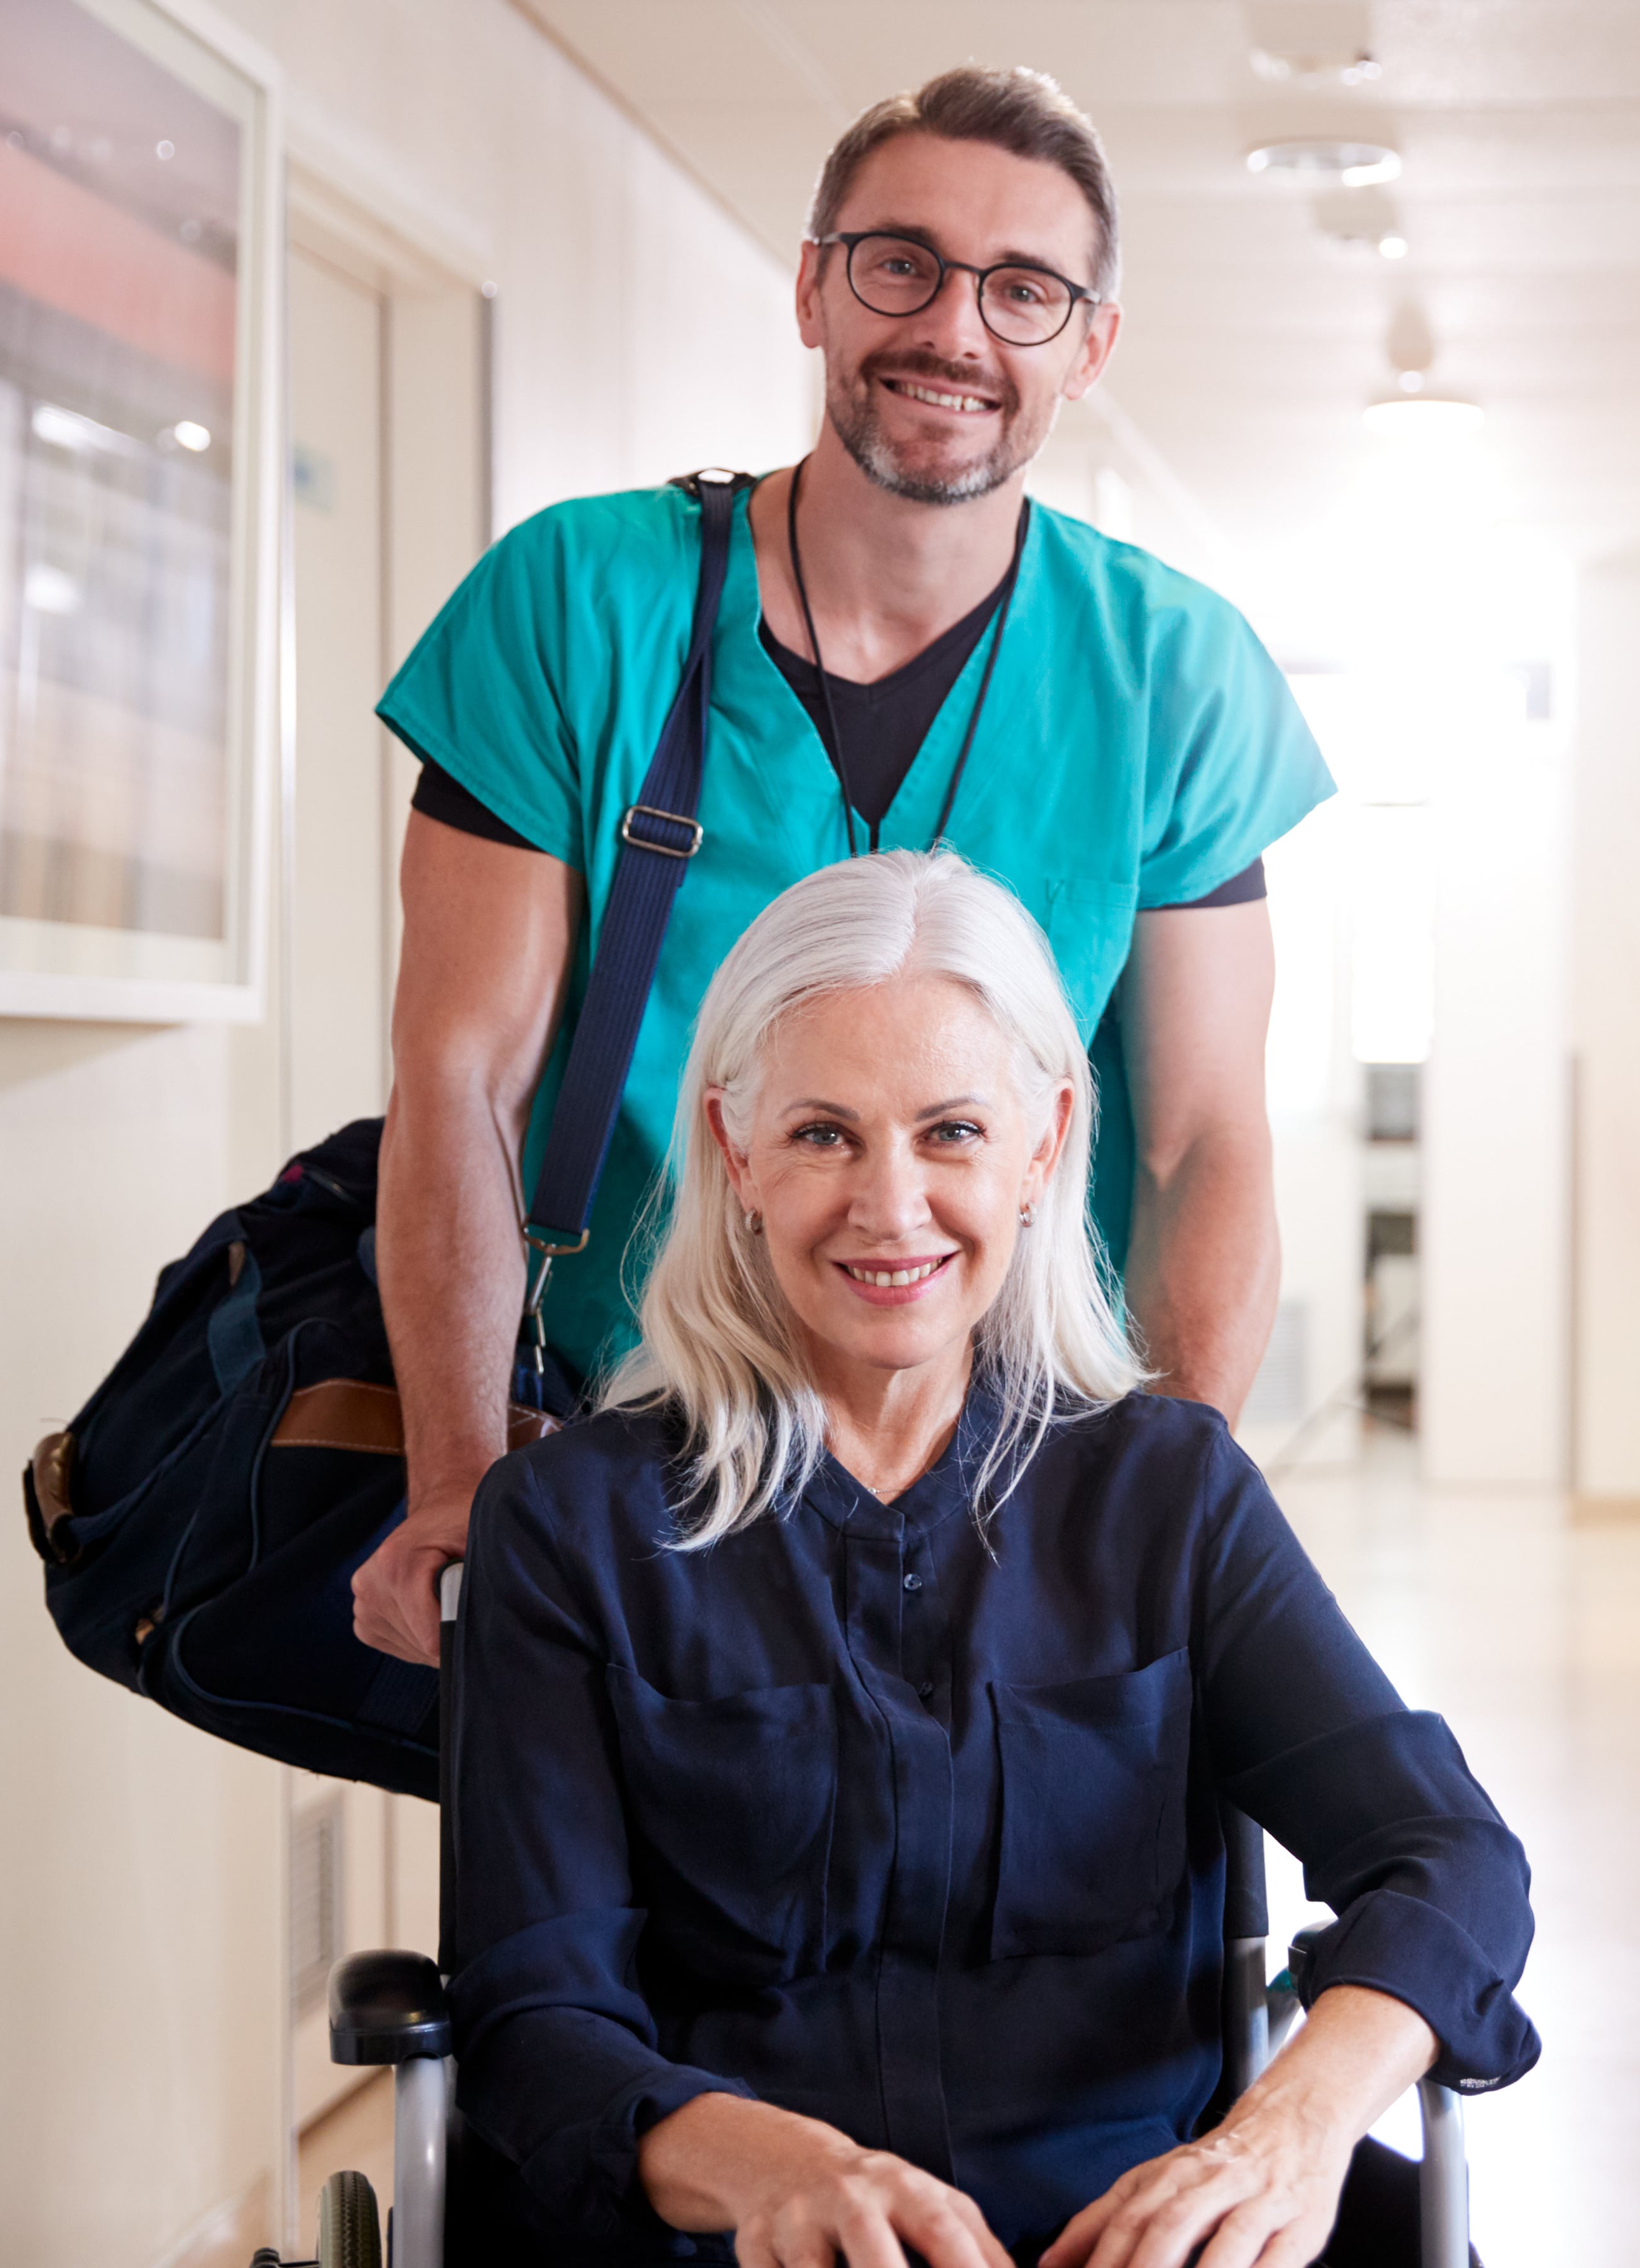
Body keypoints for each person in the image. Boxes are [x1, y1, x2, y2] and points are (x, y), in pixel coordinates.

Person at [357, 65, 1330, 1665]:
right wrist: (464, 1480)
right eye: (903, 263)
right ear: (813, 285)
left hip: (1023, 1478)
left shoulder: (1172, 671)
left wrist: (1171, 1505)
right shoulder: (577, 604)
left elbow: (1206, 1139)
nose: (955, 329)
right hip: (630, 1455)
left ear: (1087, 345)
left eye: (1024, 291)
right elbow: (458, 1075)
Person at [448, 850, 1535, 2267]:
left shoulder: (1169, 1493)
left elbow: (1448, 1855)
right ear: (736, 1152)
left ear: (1041, 1146)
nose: (889, 1205)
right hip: (733, 2237)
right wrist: (780, 2168)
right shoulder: (569, 1522)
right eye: (825, 1133)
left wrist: (1288, 2132)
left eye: (950, 1129)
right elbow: (536, 2017)